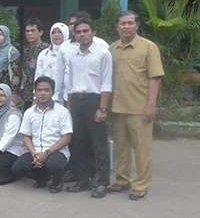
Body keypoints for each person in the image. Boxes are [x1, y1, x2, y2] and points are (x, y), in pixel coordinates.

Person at [110, 11, 164, 200]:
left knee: (142, 148)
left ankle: (141, 184)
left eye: (130, 23)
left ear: (137, 25)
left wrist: (151, 104)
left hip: (140, 107)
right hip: (117, 107)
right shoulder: (113, 48)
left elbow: (154, 77)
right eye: (122, 23)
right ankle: (122, 179)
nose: (126, 26)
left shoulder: (148, 47)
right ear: (117, 27)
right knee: (121, 147)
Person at [64, 18, 112, 198]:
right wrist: (69, 107)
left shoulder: (103, 54)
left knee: (98, 144)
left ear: (93, 32)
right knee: (79, 143)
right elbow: (71, 83)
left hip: (95, 102)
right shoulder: (72, 55)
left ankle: (102, 182)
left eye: (86, 31)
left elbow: (106, 83)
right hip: (76, 102)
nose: (82, 35)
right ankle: (83, 180)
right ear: (74, 35)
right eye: (78, 32)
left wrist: (103, 109)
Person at [12, 76, 73, 193]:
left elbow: (67, 138)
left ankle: (57, 182)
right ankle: (42, 178)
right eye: (39, 90)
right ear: (35, 92)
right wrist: (34, 154)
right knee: (18, 167)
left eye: (46, 90)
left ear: (53, 92)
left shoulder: (62, 112)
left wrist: (46, 153)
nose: (43, 93)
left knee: (54, 164)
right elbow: (26, 136)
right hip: (35, 151)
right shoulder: (29, 113)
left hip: (56, 152)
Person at [35, 22, 69, 105]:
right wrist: (35, 97)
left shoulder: (71, 53)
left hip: (66, 98)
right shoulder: (44, 54)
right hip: (45, 96)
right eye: (53, 32)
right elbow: (38, 75)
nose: (56, 35)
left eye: (59, 32)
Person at [0, 25, 22, 105]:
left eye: (1, 34)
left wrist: (14, 92)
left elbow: (17, 74)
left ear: (6, 37)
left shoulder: (12, 51)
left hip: (6, 92)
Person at [21, 18, 49, 109]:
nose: (29, 33)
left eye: (33, 31)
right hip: (27, 94)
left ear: (40, 32)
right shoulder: (24, 50)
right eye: (27, 31)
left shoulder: (47, 50)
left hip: (43, 93)